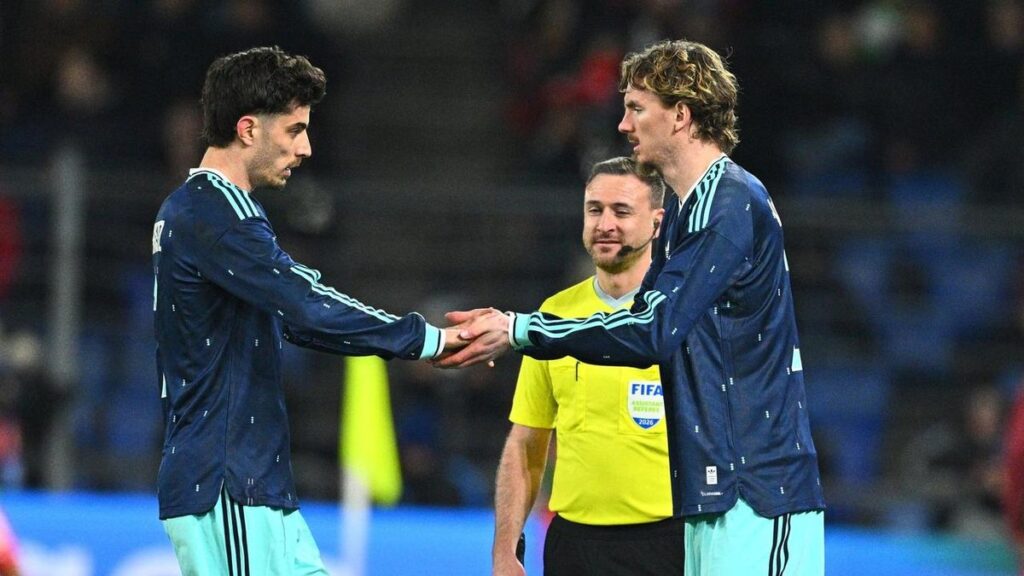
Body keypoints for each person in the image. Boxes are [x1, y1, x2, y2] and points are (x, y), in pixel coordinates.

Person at [442, 39, 826, 576]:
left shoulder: (732, 201)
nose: (624, 124)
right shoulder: (687, 218)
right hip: (712, 491)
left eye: (637, 108)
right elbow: (634, 327)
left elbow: (653, 330)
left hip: (760, 490)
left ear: (681, 116)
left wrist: (522, 330)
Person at [152, 46, 465, 576]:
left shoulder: (206, 209)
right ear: (249, 129)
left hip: (252, 481)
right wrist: (423, 339)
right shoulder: (215, 212)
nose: (306, 147)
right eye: (294, 130)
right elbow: (307, 302)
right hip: (227, 482)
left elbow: (296, 318)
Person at [493, 157, 683, 576]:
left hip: (670, 540)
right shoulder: (553, 316)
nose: (605, 224)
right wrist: (506, 547)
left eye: (621, 211)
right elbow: (526, 441)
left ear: (657, 222)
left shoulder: (681, 315)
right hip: (573, 545)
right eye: (595, 209)